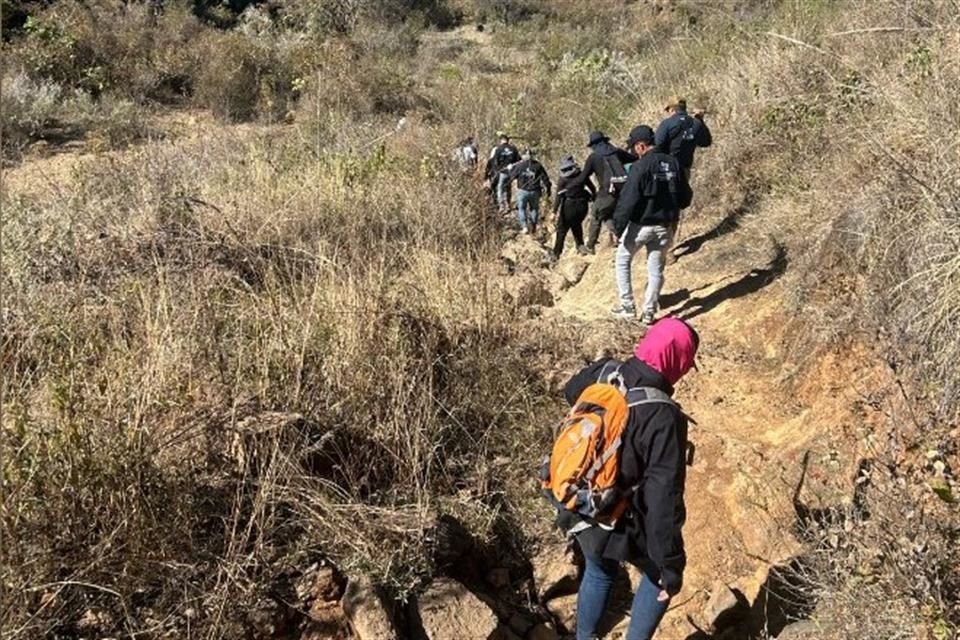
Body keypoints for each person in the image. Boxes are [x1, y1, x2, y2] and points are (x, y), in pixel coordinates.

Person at [561, 317, 698, 640]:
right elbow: (662, 497)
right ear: (677, 360)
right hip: (621, 515)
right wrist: (670, 562)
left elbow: (571, 391)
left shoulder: (606, 372)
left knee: (599, 569)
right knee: (656, 576)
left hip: (582, 499)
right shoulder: (664, 416)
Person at [610, 125, 692, 323]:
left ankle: (628, 307)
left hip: (641, 225)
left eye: (633, 148)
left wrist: (618, 228)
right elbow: (686, 197)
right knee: (655, 269)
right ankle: (649, 312)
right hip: (665, 226)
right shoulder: (673, 163)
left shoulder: (641, 166)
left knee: (622, 260)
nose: (632, 152)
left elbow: (628, 200)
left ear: (640, 146)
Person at [566, 130, 637, 254]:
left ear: (593, 145)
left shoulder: (593, 157)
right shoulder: (617, 152)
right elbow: (634, 159)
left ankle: (590, 245)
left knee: (596, 214)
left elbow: (583, 177)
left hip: (606, 193)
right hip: (624, 191)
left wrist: (570, 186)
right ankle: (620, 237)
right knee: (607, 214)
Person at [654, 97, 712, 179]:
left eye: (667, 110)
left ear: (672, 109)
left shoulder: (667, 124)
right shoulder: (696, 123)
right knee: (682, 191)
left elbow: (657, 144)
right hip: (685, 170)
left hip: (666, 168)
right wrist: (700, 119)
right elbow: (706, 142)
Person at [552, 156, 595, 258]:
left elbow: (559, 196)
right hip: (582, 205)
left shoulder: (563, 179)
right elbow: (592, 187)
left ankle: (556, 253)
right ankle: (580, 246)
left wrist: (554, 211)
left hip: (569, 205)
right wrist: (593, 197)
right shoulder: (581, 175)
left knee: (562, 229)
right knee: (576, 224)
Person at [508, 149, 551, 234]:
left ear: (524, 156)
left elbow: (511, 177)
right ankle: (533, 227)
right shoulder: (538, 166)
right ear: (532, 156)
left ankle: (524, 227)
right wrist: (548, 190)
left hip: (522, 191)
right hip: (535, 191)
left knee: (521, 209)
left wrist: (510, 169)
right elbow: (546, 179)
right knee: (534, 209)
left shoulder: (520, 165)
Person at [489, 132, 521, 212]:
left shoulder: (498, 149)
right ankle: (508, 204)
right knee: (508, 188)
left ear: (501, 140)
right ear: (508, 140)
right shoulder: (513, 149)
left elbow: (495, 161)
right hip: (511, 172)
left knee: (500, 188)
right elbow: (519, 160)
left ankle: (502, 206)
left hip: (502, 172)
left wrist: (496, 170)